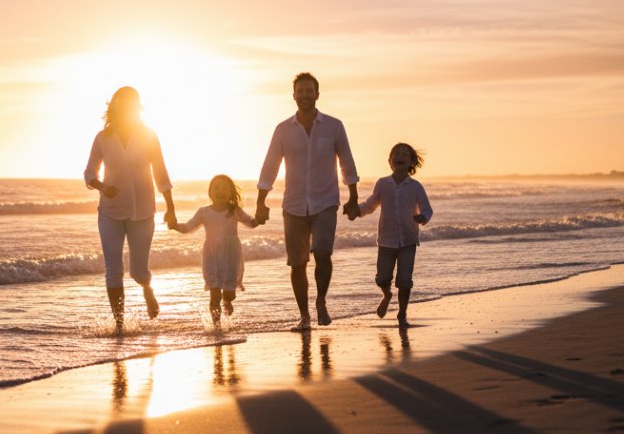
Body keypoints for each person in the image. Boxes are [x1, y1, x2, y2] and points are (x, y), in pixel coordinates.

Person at [256, 72, 359, 331]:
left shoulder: (334, 126)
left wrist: (353, 196)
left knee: (323, 253)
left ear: (317, 94)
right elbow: (270, 165)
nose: (304, 95)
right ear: (294, 96)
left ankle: (321, 302)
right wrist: (261, 201)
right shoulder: (282, 130)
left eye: (309, 91)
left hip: (325, 202)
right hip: (293, 205)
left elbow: (346, 160)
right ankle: (304, 316)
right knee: (297, 262)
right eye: (300, 91)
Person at [84, 86, 177, 332]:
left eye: (132, 104)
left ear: (138, 107)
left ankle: (147, 289)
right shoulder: (102, 138)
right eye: (122, 104)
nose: (127, 108)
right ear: (114, 106)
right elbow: (89, 173)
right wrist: (102, 186)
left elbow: (160, 171)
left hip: (143, 212)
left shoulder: (148, 135)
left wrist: (170, 208)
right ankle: (119, 324)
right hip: (110, 212)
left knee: (138, 271)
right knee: (113, 270)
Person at [355, 142, 432, 327]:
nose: (400, 156)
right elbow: (371, 204)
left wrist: (423, 217)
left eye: (405, 154)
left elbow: (427, 208)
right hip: (386, 241)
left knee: (405, 280)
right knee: (382, 278)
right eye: (396, 153)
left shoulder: (415, 187)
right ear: (390, 161)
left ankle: (402, 314)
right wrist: (356, 210)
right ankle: (387, 295)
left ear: (411, 162)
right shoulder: (383, 184)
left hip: (408, 240)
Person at [172, 175, 261, 326]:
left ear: (231, 193)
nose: (220, 191)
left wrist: (259, 218)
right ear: (210, 192)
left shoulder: (234, 211)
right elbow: (188, 227)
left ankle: (228, 300)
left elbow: (250, 223)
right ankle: (216, 326)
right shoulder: (204, 212)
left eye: (225, 188)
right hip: (211, 256)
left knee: (229, 293)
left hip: (230, 256)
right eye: (216, 187)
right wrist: (175, 225)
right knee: (214, 294)